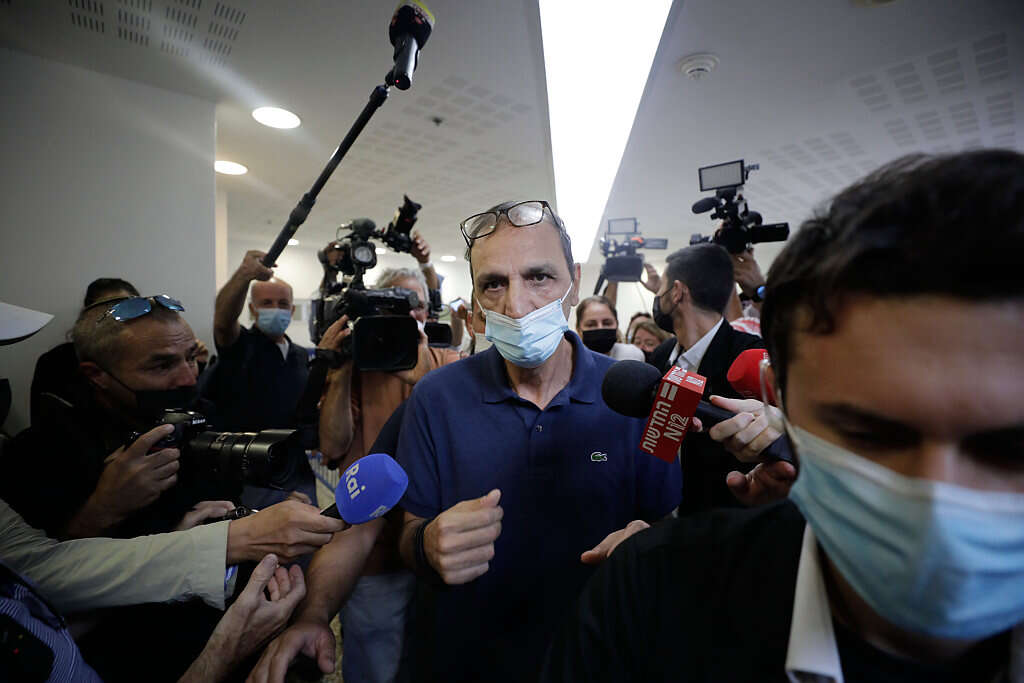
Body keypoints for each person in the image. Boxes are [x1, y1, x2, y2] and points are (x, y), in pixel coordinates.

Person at [541, 150, 1024, 682]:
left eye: (1011, 449)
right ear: (781, 397)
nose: (937, 506)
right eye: (868, 434)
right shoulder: (647, 600)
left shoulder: (741, 355)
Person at [0, 294, 347, 681]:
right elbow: (37, 584)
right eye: (162, 365)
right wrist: (102, 510)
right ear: (97, 374)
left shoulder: (202, 420)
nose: (187, 377)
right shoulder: (42, 453)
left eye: (190, 358)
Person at [308, 264, 459, 683]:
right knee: (375, 667)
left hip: (441, 549)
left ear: (428, 312)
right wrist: (340, 370)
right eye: (395, 305)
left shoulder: (449, 362)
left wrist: (425, 379)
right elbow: (332, 446)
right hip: (371, 554)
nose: (410, 314)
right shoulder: (359, 368)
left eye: (417, 305)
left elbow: (462, 440)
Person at [648, 243, 765, 514]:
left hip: (725, 520)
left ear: (676, 292)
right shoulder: (661, 356)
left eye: (660, 288)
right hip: (663, 514)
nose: (657, 296)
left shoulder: (749, 358)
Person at [206, 251, 316, 508]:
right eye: (267, 303)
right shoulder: (240, 346)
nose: (276, 309)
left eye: (283, 303)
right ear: (252, 309)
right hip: (251, 477)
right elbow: (223, 323)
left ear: (292, 309)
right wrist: (244, 275)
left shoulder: (300, 356)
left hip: (296, 472)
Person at [29, 277, 139, 424]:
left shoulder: (153, 355)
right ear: (88, 315)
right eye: (107, 309)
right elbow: (42, 423)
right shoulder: (55, 361)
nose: (119, 317)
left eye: (128, 307)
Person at [575, 295, 645, 361]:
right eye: (591, 325)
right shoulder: (573, 359)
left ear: (617, 325)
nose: (600, 328)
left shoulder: (633, 355)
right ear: (578, 329)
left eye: (607, 323)